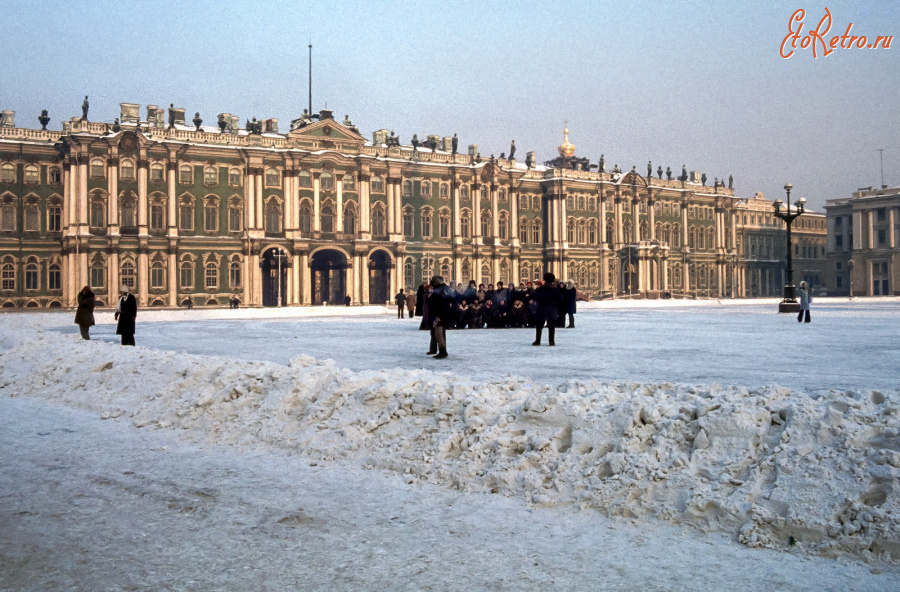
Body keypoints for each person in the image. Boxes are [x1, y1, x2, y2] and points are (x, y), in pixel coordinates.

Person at [532, 272, 563, 346]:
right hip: (551, 308)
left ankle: (537, 341)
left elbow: (535, 297)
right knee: (551, 326)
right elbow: (560, 298)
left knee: (539, 326)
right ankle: (551, 341)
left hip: (542, 308)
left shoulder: (541, 288)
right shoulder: (555, 289)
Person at [426, 276, 452, 359]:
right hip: (438, 314)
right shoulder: (442, 289)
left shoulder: (441, 290)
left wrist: (430, 296)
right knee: (436, 332)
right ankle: (439, 350)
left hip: (440, 314)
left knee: (439, 332)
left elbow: (439, 303)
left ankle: (442, 351)